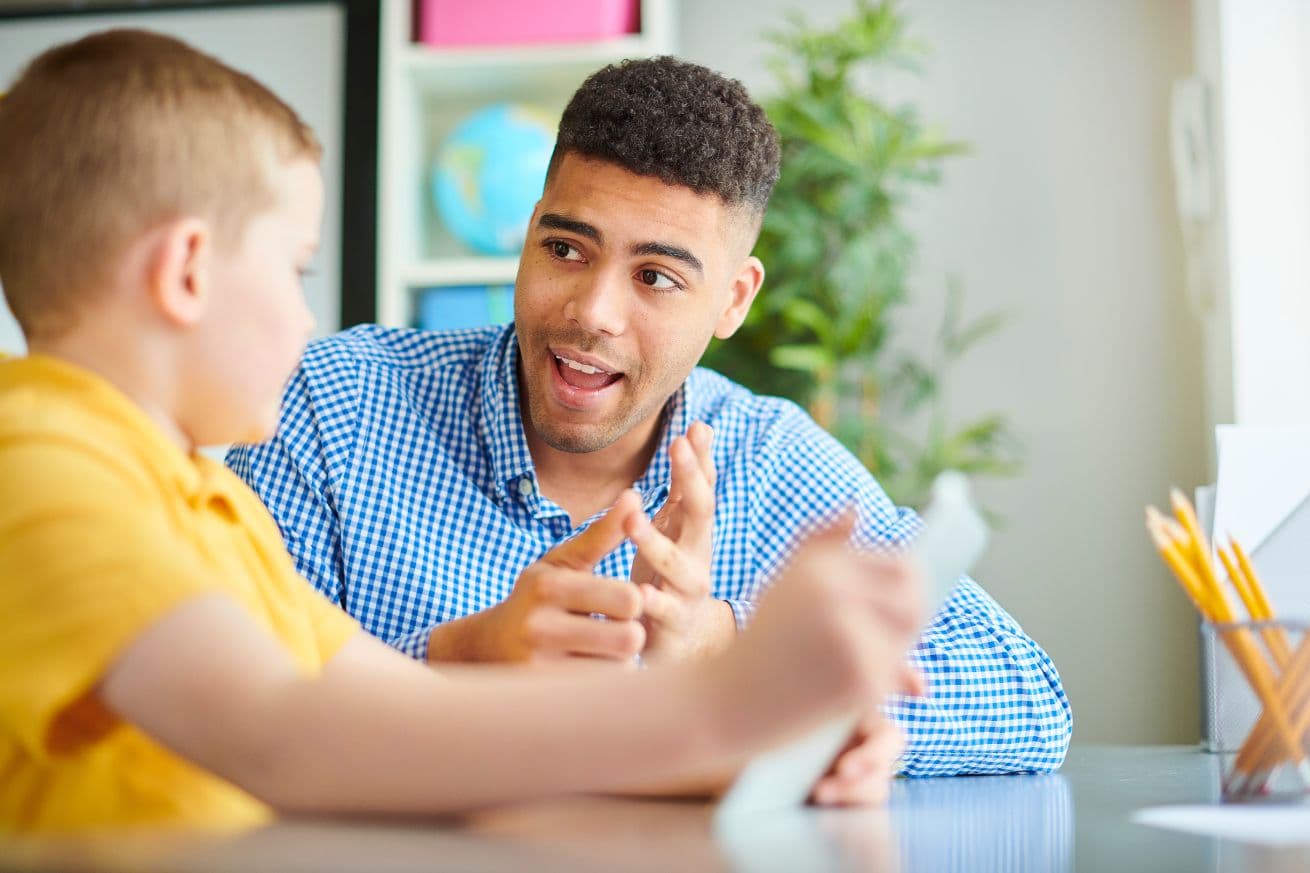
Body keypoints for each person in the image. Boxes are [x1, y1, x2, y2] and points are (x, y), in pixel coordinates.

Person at [0, 30, 925, 833]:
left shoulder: (196, 506)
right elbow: (289, 739)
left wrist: (780, 744)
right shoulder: (41, 469)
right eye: (297, 269)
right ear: (188, 273)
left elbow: (408, 719)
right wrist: (723, 706)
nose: (305, 317)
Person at [229, 56, 1072, 778]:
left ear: (733, 300)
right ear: (526, 236)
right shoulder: (333, 406)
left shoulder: (773, 460)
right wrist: (461, 658)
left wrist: (736, 661)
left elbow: (1027, 693)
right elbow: (218, 690)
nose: (592, 312)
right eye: (566, 249)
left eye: (657, 277)